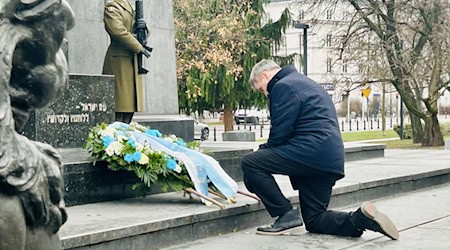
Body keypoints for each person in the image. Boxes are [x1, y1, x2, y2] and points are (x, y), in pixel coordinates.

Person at [241, 59, 399, 239]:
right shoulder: (305, 82)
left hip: (310, 153)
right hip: (327, 159)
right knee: (315, 219)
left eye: (262, 89)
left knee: (250, 162)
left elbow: (280, 132)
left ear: (265, 75)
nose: (265, 94)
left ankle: (286, 214)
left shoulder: (283, 86)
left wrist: (255, 164)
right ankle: (359, 220)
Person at [102, 0, 151, 123]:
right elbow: (118, 31)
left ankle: (123, 137)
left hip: (132, 62)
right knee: (119, 105)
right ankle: (115, 138)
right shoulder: (112, 7)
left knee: (130, 106)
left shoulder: (131, 8)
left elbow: (140, 32)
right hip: (119, 62)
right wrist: (138, 47)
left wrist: (144, 28)